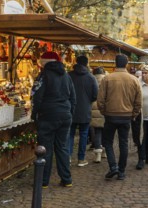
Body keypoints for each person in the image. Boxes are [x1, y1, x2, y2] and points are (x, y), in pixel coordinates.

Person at [32, 51, 76, 188]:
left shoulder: (43, 75)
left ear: (45, 62)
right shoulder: (66, 75)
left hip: (48, 115)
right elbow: (73, 97)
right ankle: (66, 179)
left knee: (46, 149)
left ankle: (43, 181)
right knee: (62, 147)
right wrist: (69, 113)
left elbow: (37, 97)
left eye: (41, 61)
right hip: (65, 115)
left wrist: (35, 114)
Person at [97, 54, 142, 181]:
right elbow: (138, 101)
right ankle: (121, 171)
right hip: (126, 116)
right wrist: (134, 114)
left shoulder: (107, 79)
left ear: (115, 64)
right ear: (126, 64)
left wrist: (104, 111)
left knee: (108, 142)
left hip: (110, 115)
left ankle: (113, 167)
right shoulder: (134, 80)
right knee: (123, 143)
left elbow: (100, 100)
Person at [68, 55, 98, 167]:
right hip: (85, 109)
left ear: (76, 62)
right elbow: (95, 95)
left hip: (70, 109)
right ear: (87, 63)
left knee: (70, 134)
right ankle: (81, 159)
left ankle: (68, 157)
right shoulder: (91, 77)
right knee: (84, 134)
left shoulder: (69, 75)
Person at [90, 67, 107, 163]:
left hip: (94, 108)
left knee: (97, 132)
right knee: (106, 132)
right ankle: (105, 152)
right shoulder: (106, 79)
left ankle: (98, 155)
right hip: (105, 107)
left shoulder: (91, 79)